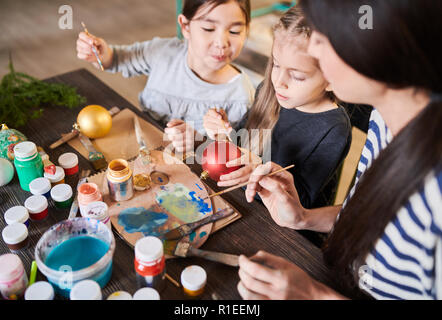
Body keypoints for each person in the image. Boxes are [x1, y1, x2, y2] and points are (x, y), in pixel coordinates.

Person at [238, 0, 442, 300]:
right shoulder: (384, 120)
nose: (315, 52)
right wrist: (303, 218)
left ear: (377, 45)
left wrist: (314, 295)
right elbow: (376, 220)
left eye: (323, 38)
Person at [202, 6, 351, 209]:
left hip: (283, 224)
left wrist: (261, 171)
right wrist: (222, 133)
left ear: (334, 79)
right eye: (276, 65)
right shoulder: (270, 90)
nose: (278, 81)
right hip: (243, 199)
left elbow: (303, 201)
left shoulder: (334, 129)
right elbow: (240, 144)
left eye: (297, 75)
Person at [76, 0, 255, 138]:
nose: (221, 43)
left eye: (234, 32)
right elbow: (116, 59)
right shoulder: (163, 52)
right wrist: (100, 53)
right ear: (185, 26)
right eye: (208, 28)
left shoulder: (240, 97)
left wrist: (203, 141)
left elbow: (237, 155)